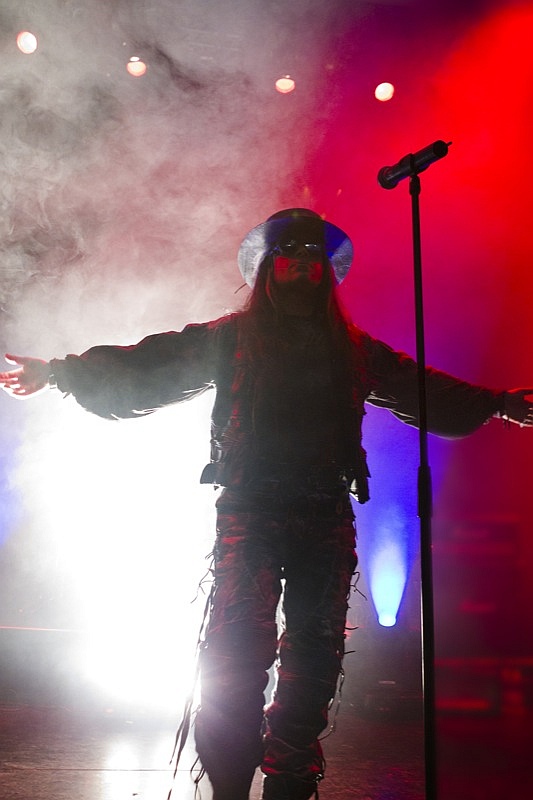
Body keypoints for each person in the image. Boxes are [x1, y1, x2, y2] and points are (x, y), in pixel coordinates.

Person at [1, 208, 532, 800]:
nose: (304, 262)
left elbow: (419, 387)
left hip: (325, 515)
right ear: (268, 268)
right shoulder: (230, 338)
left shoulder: (353, 350)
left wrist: (497, 403)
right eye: (292, 252)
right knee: (236, 647)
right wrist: (61, 373)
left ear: (326, 275)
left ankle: (289, 781)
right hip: (250, 510)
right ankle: (229, 785)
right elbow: (151, 365)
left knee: (314, 653)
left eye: (314, 256)